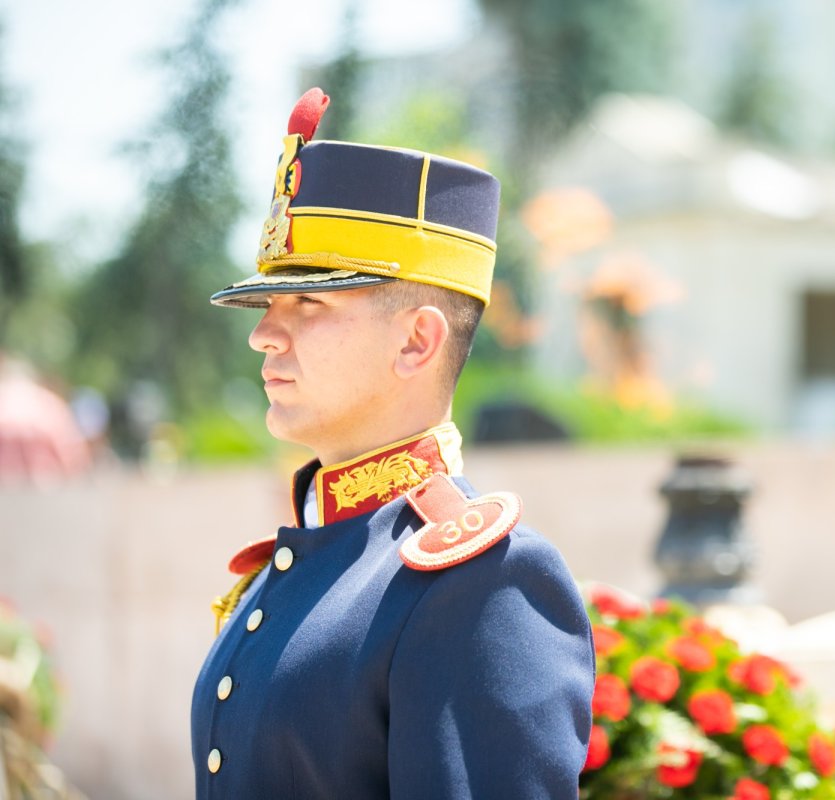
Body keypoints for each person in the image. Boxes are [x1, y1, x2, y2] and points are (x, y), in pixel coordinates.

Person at [190, 88, 594, 799]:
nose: (262, 334)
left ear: (416, 341)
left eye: (308, 302)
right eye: (267, 305)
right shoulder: (303, 558)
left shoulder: (479, 581)